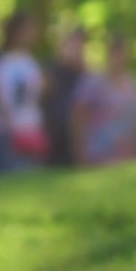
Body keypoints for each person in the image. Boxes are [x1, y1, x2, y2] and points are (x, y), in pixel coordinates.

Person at [71, 33, 136, 166]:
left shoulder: (131, 83)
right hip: (97, 155)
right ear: (110, 53)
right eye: (118, 52)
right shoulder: (92, 82)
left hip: (127, 155)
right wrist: (80, 154)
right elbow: (78, 119)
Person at [0, 11, 48, 171]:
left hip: (32, 129)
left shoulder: (30, 61)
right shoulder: (5, 64)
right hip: (11, 134)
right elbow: (3, 100)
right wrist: (13, 129)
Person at [43, 26, 88, 167]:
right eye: (73, 44)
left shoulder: (85, 76)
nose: (77, 49)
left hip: (76, 136)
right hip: (53, 135)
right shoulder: (50, 69)